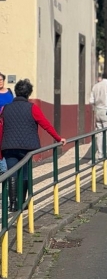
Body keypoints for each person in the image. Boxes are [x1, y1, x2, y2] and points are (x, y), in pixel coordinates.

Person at [1, 79, 66, 211]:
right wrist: (58, 138)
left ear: (16, 92)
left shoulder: (5, 108)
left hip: (8, 146)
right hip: (27, 148)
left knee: (12, 173)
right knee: (25, 174)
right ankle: (22, 202)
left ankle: (12, 204)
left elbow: (1, 128)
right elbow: (45, 125)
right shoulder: (32, 108)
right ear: (29, 93)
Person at [89, 71, 107, 160]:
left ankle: (100, 154)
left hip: (97, 110)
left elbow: (91, 101)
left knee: (99, 133)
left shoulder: (96, 86)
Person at [0, 72, 13, 173]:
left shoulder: (10, 92)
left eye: (1, 80)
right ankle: (3, 169)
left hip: (9, 123)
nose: (0, 82)